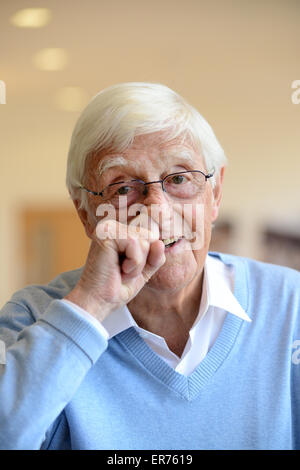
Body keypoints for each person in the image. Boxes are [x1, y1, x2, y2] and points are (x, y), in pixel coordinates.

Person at [0, 82, 299, 450]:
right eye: (123, 187)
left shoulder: (292, 305)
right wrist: (91, 304)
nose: (156, 209)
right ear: (86, 213)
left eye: (178, 179)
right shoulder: (32, 318)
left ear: (215, 193)